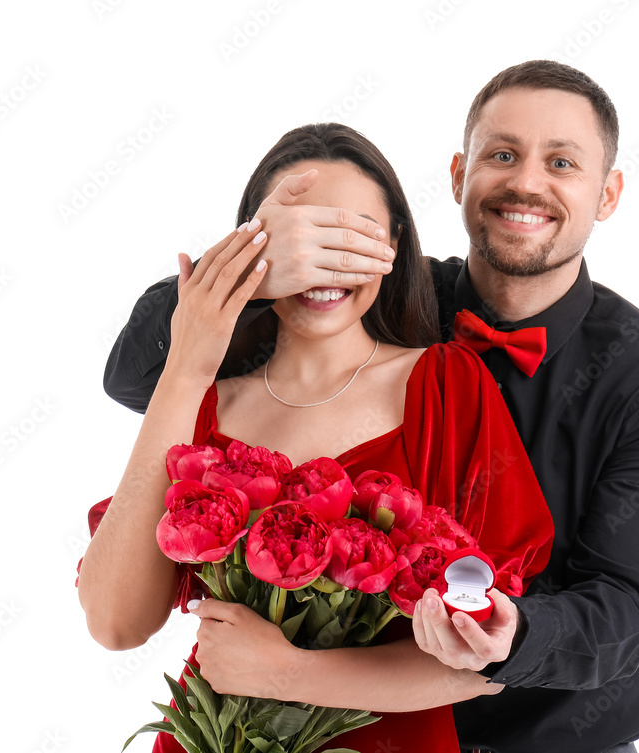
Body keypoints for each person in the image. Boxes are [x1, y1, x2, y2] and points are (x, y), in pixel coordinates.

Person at [101, 61, 639, 753]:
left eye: (562, 162)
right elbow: (139, 371)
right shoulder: (373, 292)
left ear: (608, 193)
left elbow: (623, 607)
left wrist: (512, 635)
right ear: (458, 175)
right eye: (502, 154)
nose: (527, 182)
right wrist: (255, 256)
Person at [76, 123, 554, 753]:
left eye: (352, 236)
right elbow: (115, 624)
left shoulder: (444, 384)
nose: (323, 263)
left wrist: (286, 673)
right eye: (298, 239)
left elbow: (481, 664)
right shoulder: (207, 401)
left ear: (395, 243)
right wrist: (188, 362)